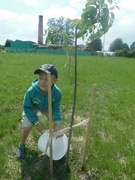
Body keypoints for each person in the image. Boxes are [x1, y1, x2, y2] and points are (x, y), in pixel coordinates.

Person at [16, 64, 62, 160]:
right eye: (40, 78)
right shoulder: (31, 91)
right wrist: (36, 122)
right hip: (31, 106)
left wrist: (57, 122)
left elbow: (56, 109)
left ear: (55, 80)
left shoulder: (57, 93)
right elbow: (27, 107)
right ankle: (21, 146)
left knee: (57, 122)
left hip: (46, 106)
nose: (42, 82)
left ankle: (55, 142)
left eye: (46, 79)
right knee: (27, 126)